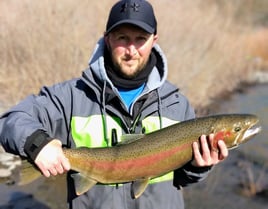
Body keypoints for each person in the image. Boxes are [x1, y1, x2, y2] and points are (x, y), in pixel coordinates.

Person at [0, 0, 228, 208]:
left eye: (140, 39)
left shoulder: (177, 103)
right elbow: (11, 120)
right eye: (122, 38)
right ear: (107, 38)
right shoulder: (71, 96)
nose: (131, 50)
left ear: (154, 40)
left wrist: (199, 167)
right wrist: (37, 144)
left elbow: (182, 178)